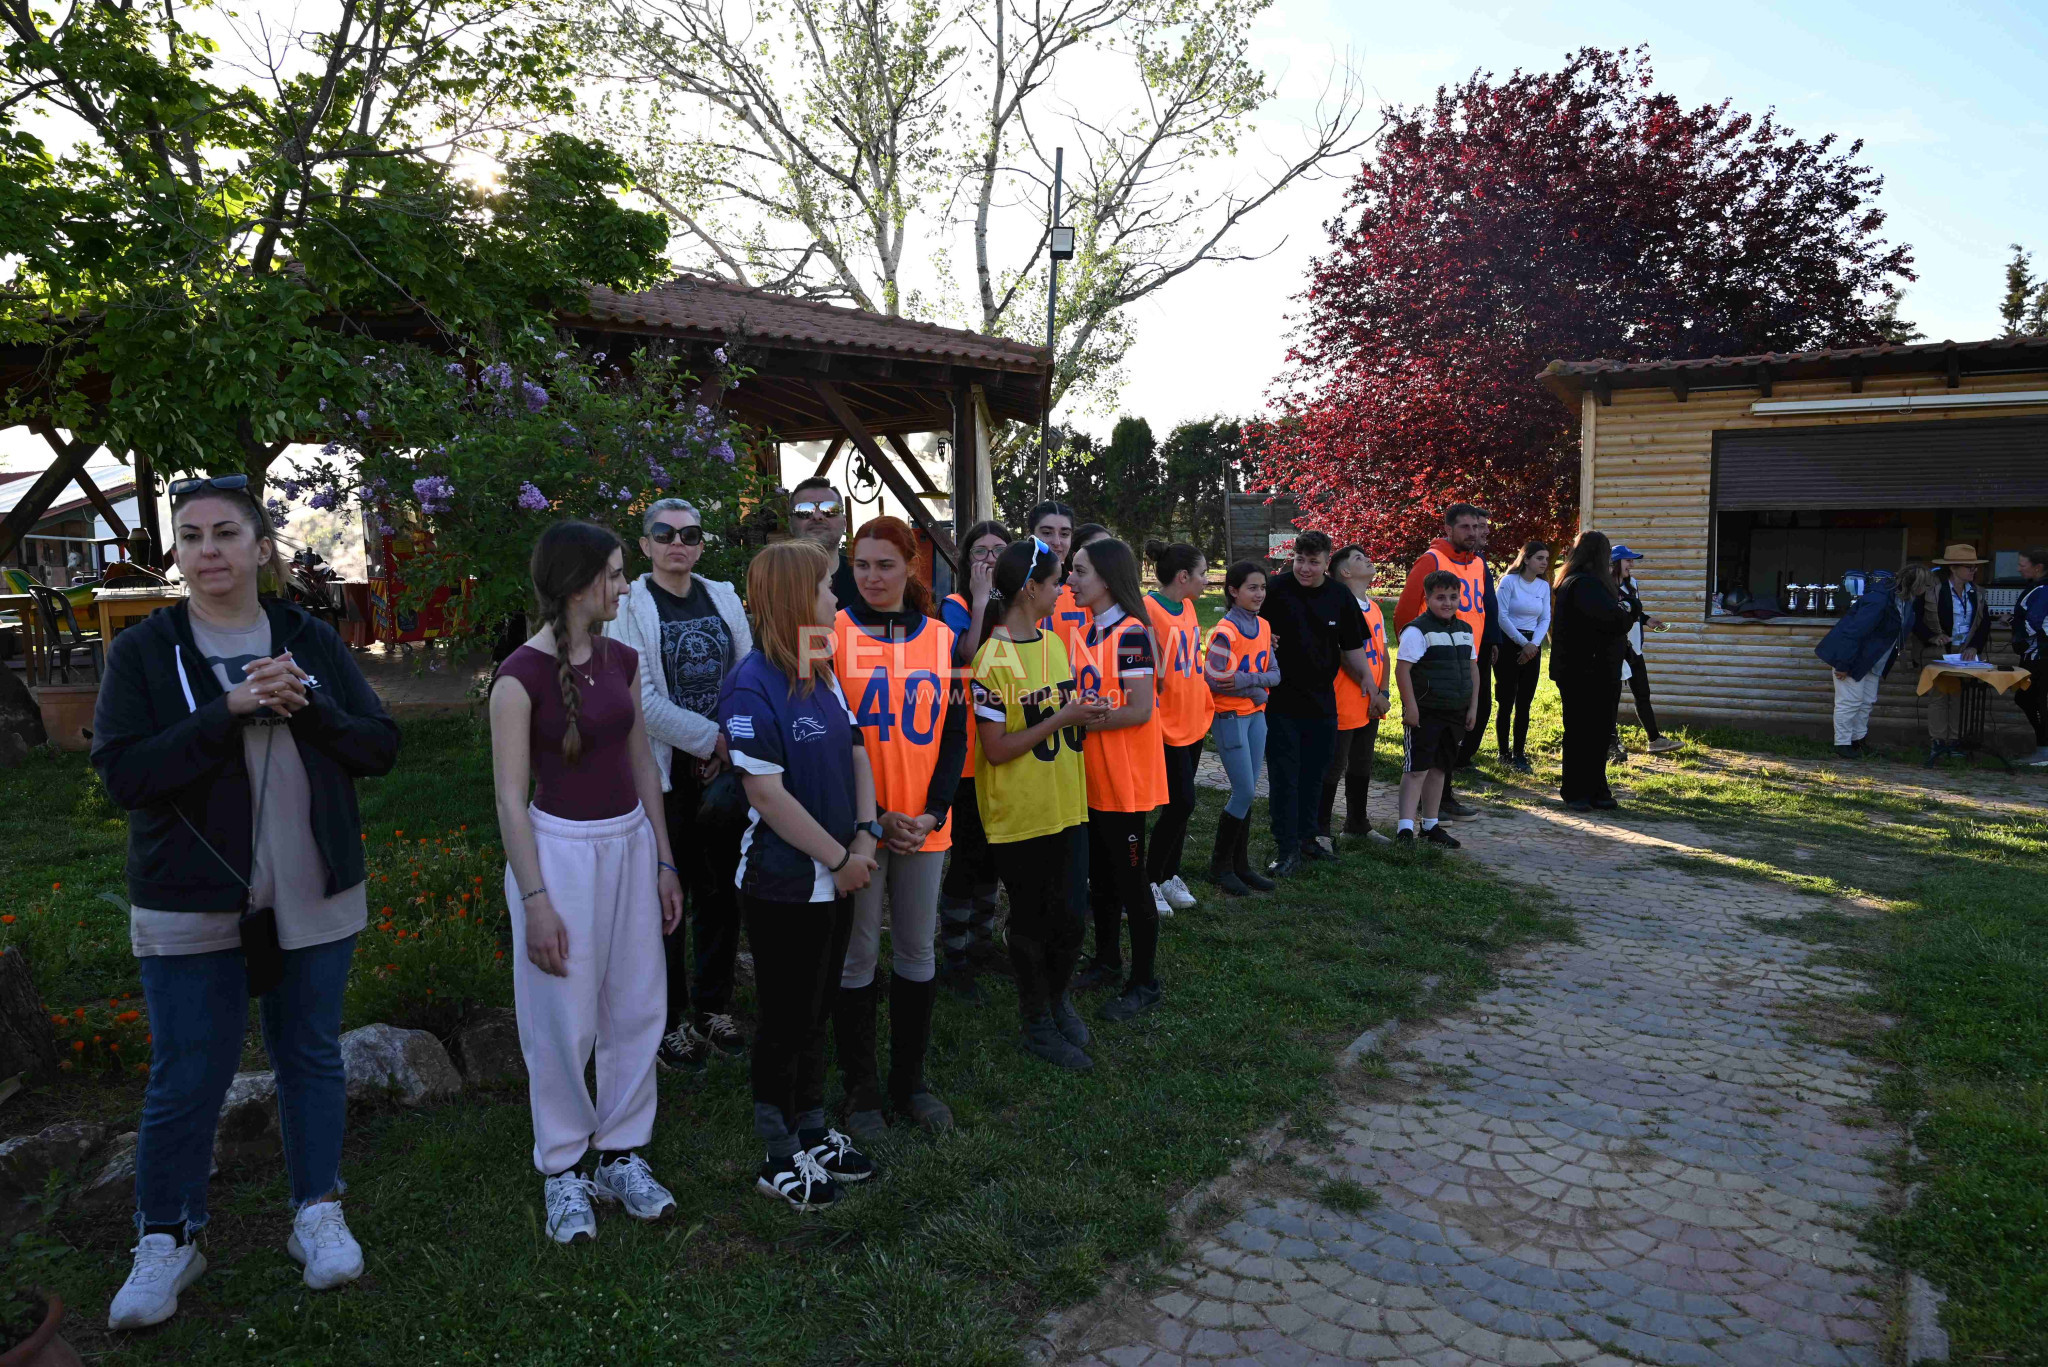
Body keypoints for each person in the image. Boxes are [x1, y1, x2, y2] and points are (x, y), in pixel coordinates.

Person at [94, 475, 398, 1329]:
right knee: (188, 1069)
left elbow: (378, 746)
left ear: (262, 547)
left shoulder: (311, 636)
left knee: (308, 1051)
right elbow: (123, 774)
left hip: (312, 883)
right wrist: (226, 710)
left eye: (226, 533)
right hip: (189, 895)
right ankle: (168, 1235)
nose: (208, 551)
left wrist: (309, 709)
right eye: (190, 537)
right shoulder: (147, 653)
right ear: (179, 555)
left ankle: (316, 1211)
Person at [489, 522, 685, 1244]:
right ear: (577, 585)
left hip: (630, 843)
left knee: (637, 1003)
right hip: (560, 855)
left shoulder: (624, 660)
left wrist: (663, 858)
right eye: (613, 573)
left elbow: (643, 768)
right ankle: (564, 1165)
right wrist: (536, 899)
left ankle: (622, 1152)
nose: (624, 585)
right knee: (563, 1015)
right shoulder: (518, 677)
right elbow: (510, 798)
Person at [719, 539, 883, 1210]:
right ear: (794, 600)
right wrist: (840, 859)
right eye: (826, 589)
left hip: (841, 871)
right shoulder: (749, 685)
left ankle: (812, 1127)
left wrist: (867, 831)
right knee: (785, 1016)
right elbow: (766, 796)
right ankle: (776, 1149)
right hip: (786, 882)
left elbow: (855, 747)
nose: (838, 599)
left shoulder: (822, 666)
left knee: (818, 1008)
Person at [604, 498, 755, 1072]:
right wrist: (712, 740)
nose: (677, 542)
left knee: (720, 892)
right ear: (644, 544)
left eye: (689, 534)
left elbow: (745, 674)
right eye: (664, 533)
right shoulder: (630, 606)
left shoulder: (721, 595)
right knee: (665, 900)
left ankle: (713, 1005)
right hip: (663, 774)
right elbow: (639, 698)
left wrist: (729, 745)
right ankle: (667, 1020)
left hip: (722, 772)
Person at [830, 517, 966, 1138]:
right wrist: (868, 817)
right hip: (856, 828)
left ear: (911, 566)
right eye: (862, 565)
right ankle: (861, 1092)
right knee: (857, 957)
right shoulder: (829, 633)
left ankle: (911, 1082)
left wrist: (933, 812)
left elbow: (956, 736)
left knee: (916, 951)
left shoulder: (941, 639)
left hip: (921, 826)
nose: (872, 577)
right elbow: (822, 737)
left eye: (885, 564)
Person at [970, 538, 1109, 1068]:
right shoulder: (991, 658)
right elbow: (997, 748)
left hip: (1067, 804)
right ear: (1031, 588)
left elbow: (1058, 713)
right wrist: (1062, 719)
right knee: (1033, 920)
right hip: (1020, 814)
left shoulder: (1053, 643)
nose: (1063, 592)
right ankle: (1036, 1021)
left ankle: (1058, 998)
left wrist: (1083, 713)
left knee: (1073, 915)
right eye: (1055, 583)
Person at [1064, 538, 1170, 1022]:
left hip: (1123, 779)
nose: (1071, 580)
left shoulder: (1130, 633)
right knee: (1101, 879)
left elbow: (1140, 708)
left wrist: (1077, 721)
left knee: (1130, 881)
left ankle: (1144, 982)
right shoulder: (1087, 631)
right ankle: (1107, 960)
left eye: (1080, 572)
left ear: (1107, 579)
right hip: (1092, 777)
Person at [1259, 530, 1370, 877]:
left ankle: (1309, 839)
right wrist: (1262, 637)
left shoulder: (1339, 596)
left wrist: (1369, 681)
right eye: (1299, 560)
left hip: (1322, 700)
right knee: (1285, 776)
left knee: (1315, 775)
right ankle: (1285, 847)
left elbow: (1352, 645)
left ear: (1326, 563)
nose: (1305, 568)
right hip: (1279, 701)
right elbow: (1242, 626)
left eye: (1313, 562)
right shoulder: (1274, 589)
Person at [936, 520, 1014, 996]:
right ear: (965, 561)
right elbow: (966, 657)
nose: (988, 558)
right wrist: (983, 599)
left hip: (1005, 741)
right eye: (980, 551)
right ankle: (955, 952)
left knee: (994, 851)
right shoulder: (957, 605)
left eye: (998, 551)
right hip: (967, 747)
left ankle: (983, 939)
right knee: (967, 852)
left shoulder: (1018, 602)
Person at [1395, 505, 1495, 817]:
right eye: (1464, 527)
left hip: (1468, 659)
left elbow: (1482, 606)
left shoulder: (1477, 562)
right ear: (1448, 529)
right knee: (1433, 737)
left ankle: (1442, 798)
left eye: (1476, 527)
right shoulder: (1432, 560)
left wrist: (1490, 642)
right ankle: (1432, 806)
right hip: (1435, 663)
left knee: (1462, 727)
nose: (1472, 533)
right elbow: (1404, 612)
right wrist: (1417, 652)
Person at [1144, 542, 1211, 911]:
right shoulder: (1147, 609)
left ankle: (1169, 875)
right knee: (1181, 801)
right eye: (1202, 574)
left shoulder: (1187, 606)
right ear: (1183, 577)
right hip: (1165, 724)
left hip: (1193, 719)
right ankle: (1150, 878)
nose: (1206, 582)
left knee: (1180, 807)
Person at [1205, 562, 1279, 895]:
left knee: (1248, 792)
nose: (1259, 593)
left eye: (1262, 587)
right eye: (1252, 587)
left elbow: (1275, 674)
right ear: (1234, 591)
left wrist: (1247, 683)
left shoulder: (1264, 627)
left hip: (1256, 717)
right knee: (1245, 791)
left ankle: (1240, 866)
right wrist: (1255, 686)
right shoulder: (1224, 631)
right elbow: (1214, 679)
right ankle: (1220, 868)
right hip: (1230, 718)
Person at [1550, 531, 1637, 812]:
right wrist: (1631, 610)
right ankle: (1576, 791)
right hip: (1585, 670)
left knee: (1598, 731)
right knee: (1582, 731)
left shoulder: (1582, 583)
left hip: (1595, 670)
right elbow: (1612, 620)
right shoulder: (1584, 585)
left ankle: (1597, 788)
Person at [1394, 569, 1477, 847]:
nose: (1448, 603)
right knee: (1417, 768)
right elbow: (1402, 669)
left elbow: (1472, 669)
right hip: (1426, 711)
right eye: (1440, 597)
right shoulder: (1417, 630)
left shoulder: (1465, 630)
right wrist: (1411, 707)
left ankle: (1430, 826)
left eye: (1453, 597)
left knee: (1441, 768)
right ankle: (1404, 829)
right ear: (1427, 598)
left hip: (1455, 711)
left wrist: (1472, 706)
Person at [1815, 565, 1929, 758]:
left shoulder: (1904, 601)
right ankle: (1842, 744)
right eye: (1924, 585)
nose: (1926, 589)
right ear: (1914, 585)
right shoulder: (1879, 599)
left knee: (1866, 702)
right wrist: (1843, 664)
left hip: (1873, 660)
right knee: (1850, 702)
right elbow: (1855, 632)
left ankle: (1858, 741)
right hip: (1854, 657)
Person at [1318, 546, 1391, 844]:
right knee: (1334, 765)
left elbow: (1383, 652)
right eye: (1358, 558)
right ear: (1345, 572)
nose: (1368, 559)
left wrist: (1382, 691)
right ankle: (1320, 830)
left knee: (1362, 762)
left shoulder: (1372, 606)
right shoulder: (1338, 604)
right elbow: (1344, 654)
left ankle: (1357, 824)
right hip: (1345, 698)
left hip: (1372, 698)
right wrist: (1370, 689)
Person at [1916, 543, 1993, 760]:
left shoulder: (1977, 593)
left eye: (1975, 567)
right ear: (1953, 568)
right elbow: (1916, 621)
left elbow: (1984, 624)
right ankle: (1939, 742)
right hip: (1940, 652)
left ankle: (1956, 741)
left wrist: (1974, 646)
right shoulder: (1933, 593)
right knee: (1940, 696)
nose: (1973, 570)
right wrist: (1931, 637)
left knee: (1959, 696)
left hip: (1964, 654)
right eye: (1969, 567)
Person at [1611, 547, 1681, 759]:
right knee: (1611, 699)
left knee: (1643, 694)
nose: (1631, 565)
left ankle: (1654, 739)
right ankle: (1611, 743)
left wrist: (1648, 620)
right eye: (1628, 561)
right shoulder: (1604, 586)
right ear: (1615, 562)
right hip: (1614, 650)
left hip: (1634, 648)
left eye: (1633, 561)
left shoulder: (1633, 584)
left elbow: (1634, 610)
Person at [1493, 542, 1551, 772]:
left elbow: (1545, 618)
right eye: (1539, 558)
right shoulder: (1509, 582)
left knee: (1525, 703)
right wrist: (1523, 643)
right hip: (1509, 643)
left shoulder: (1543, 586)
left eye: (1546, 558)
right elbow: (1501, 616)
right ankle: (1503, 752)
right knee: (1506, 700)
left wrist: (1534, 644)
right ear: (1526, 559)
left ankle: (1519, 752)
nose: (1544, 562)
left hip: (1533, 647)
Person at [788, 476, 857, 609]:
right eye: (804, 510)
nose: (818, 516)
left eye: (830, 509)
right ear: (791, 524)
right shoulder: (774, 581)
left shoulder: (866, 579)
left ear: (844, 523)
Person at [2012, 549, 2048, 765]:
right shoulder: (2038, 587)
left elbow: (2034, 623)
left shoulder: (2042, 589)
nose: (2018, 568)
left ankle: (2044, 749)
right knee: (2029, 698)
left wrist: (2017, 632)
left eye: (2022, 564)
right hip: (2037, 654)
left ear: (2038, 567)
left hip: (2040, 655)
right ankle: (2043, 747)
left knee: (2032, 698)